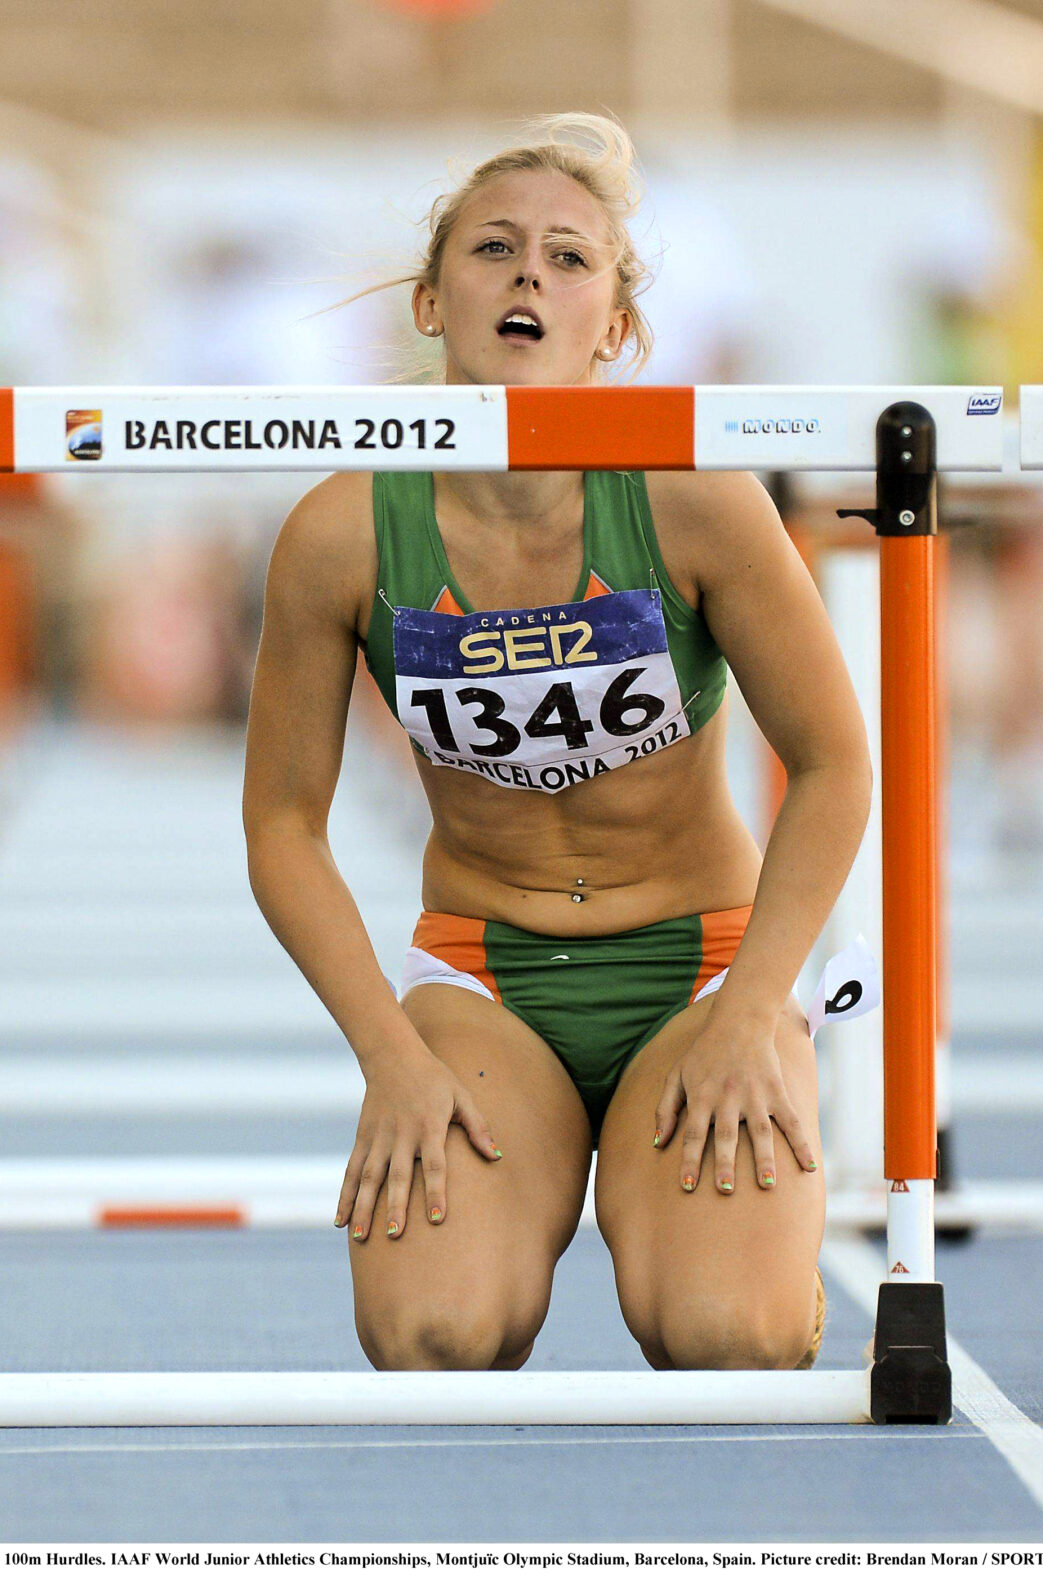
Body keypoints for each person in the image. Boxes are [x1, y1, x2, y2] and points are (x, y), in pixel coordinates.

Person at [242, 115, 871, 1372]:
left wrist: (755, 1011)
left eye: (569, 258)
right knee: (432, 1333)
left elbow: (837, 761)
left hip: (701, 967)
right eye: (493, 249)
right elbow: (281, 824)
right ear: (432, 302)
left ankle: (758, 1238)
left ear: (617, 330)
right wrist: (391, 1055)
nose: (529, 274)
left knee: (727, 1339)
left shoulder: (693, 495)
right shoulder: (341, 530)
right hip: (485, 975)